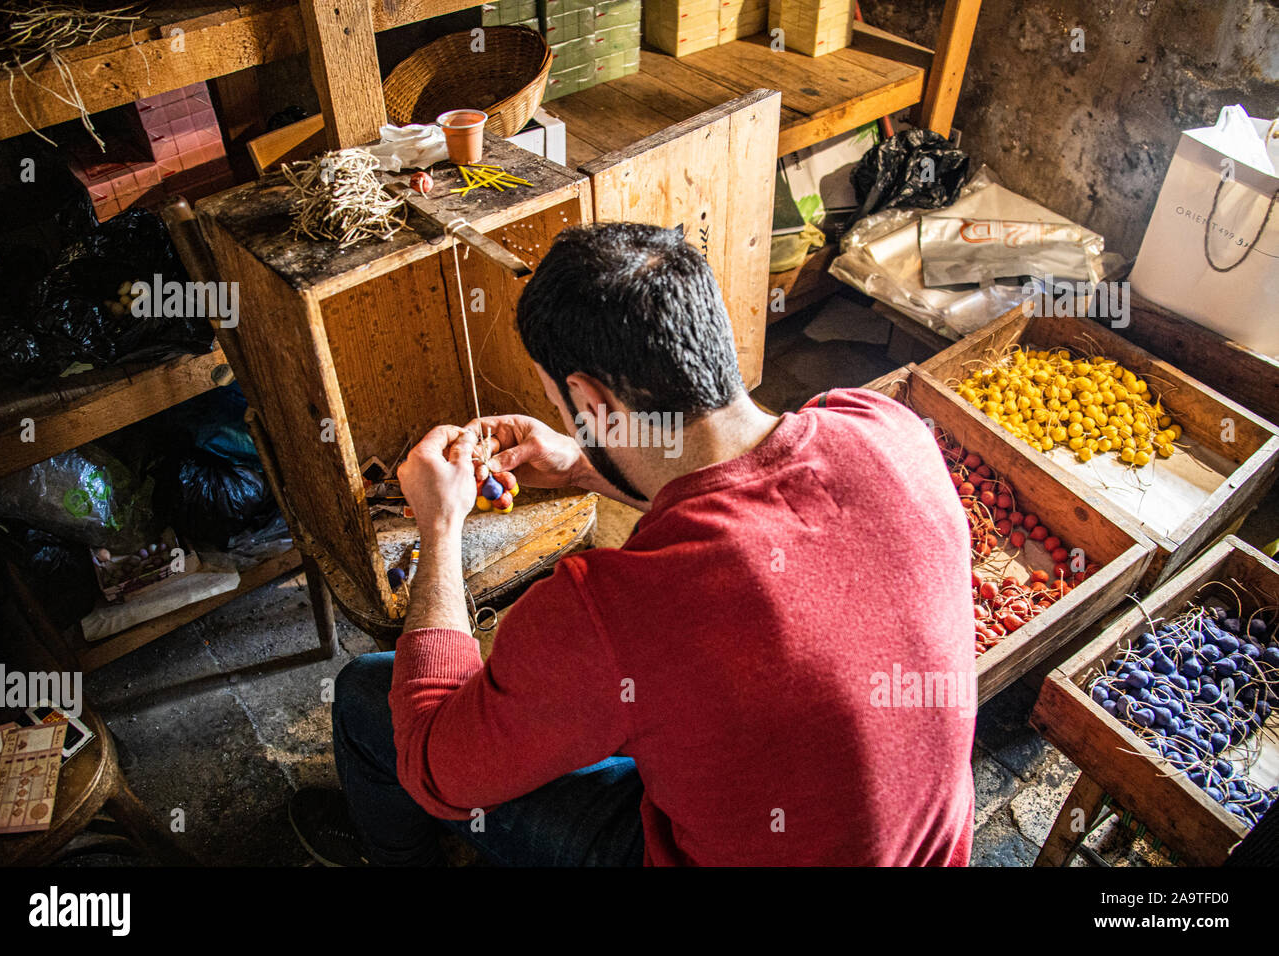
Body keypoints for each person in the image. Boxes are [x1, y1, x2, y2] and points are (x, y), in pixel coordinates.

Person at [289, 222, 976, 866]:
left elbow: (437, 765)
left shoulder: (613, 608)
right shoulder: (886, 429)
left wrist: (438, 527)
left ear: (591, 403)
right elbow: (739, 492)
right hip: (912, 848)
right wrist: (584, 464)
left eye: (564, 409)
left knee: (366, 698)